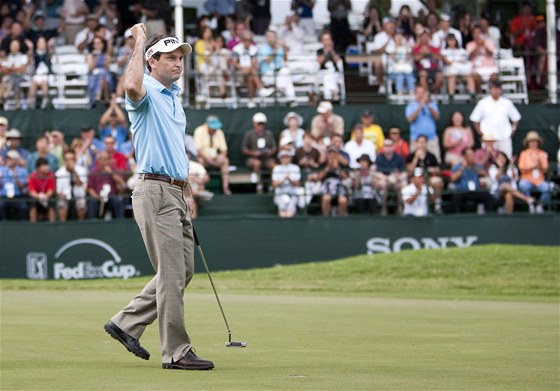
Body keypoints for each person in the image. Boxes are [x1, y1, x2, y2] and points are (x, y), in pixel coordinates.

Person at [103, 25, 215, 371]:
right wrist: (138, 43)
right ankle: (176, 351)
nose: (178, 63)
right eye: (170, 58)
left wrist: (185, 186)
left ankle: (126, 322)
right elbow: (132, 85)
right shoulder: (147, 88)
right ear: (153, 61)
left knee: (183, 270)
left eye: (180, 57)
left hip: (174, 189)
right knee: (170, 273)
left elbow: (172, 148)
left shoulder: (173, 97)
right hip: (154, 189)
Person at [469, 81, 521, 158]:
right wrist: (481, 133)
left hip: (504, 137)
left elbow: (516, 118)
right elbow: (475, 119)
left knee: (506, 158)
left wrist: (512, 130)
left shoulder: (507, 102)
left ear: (501, 90)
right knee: (487, 160)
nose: (496, 91)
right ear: (490, 90)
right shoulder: (483, 103)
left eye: (498, 89)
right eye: (493, 89)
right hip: (488, 139)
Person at [231, 30, 274, 108]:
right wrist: (243, 68)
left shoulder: (254, 49)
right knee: (253, 72)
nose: (248, 42)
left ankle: (250, 101)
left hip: (251, 71)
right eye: (246, 40)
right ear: (242, 40)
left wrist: (249, 69)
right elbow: (234, 63)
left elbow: (254, 62)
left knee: (251, 77)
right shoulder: (236, 49)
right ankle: (260, 89)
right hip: (239, 72)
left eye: (250, 40)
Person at [193, 115, 232, 195]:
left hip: (215, 158)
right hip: (204, 158)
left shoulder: (219, 132)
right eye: (212, 127)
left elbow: (224, 150)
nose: (214, 129)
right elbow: (198, 150)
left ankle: (225, 188)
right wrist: (208, 160)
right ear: (207, 125)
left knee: (225, 161)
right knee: (199, 162)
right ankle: (201, 188)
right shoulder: (199, 131)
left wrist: (221, 157)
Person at [405, 135, 444, 214]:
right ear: (416, 143)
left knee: (438, 182)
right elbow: (409, 171)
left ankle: (437, 206)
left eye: (424, 142)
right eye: (420, 142)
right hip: (414, 180)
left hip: (428, 178)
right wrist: (416, 157)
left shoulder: (431, 156)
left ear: (427, 143)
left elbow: (438, 170)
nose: (422, 144)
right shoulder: (411, 156)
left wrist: (431, 169)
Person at [450, 148, 494, 214]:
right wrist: (463, 167)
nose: (472, 157)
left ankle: (490, 217)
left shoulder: (476, 166)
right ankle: (457, 219)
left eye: (473, 155)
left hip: (475, 191)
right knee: (456, 198)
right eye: (470, 155)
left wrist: (474, 167)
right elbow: (453, 178)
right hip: (462, 191)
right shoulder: (457, 166)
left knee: (488, 196)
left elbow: (485, 174)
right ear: (465, 156)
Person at [257, 29, 297, 104]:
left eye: (273, 37)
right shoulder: (263, 48)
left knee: (286, 72)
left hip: (279, 73)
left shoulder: (279, 47)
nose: (271, 39)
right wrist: (276, 49)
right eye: (269, 37)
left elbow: (285, 60)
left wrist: (284, 50)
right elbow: (268, 60)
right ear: (266, 38)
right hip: (267, 74)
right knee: (286, 76)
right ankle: (290, 98)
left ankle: (284, 93)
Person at [517, 131, 552, 214]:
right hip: (527, 179)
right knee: (522, 185)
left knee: (549, 188)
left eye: (535, 141)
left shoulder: (543, 154)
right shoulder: (524, 154)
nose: (533, 143)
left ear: (538, 143)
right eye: (531, 141)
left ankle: (540, 205)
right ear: (528, 143)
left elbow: (546, 169)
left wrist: (540, 166)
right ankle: (530, 203)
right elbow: (521, 168)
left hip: (539, 180)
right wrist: (531, 167)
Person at [241, 112, 277, 193]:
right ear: (254, 124)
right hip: (253, 158)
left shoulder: (269, 134)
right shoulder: (249, 134)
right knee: (257, 163)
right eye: (259, 124)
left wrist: (269, 152)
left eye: (262, 124)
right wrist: (254, 153)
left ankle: (272, 185)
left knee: (273, 164)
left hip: (266, 158)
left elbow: (274, 148)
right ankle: (259, 184)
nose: (261, 126)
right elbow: (244, 149)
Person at [405, 86, 441, 163]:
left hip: (431, 140)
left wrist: (428, 105)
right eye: (419, 93)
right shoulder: (411, 106)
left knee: (435, 162)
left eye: (423, 93)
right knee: (415, 161)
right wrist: (420, 106)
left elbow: (437, 117)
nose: (421, 95)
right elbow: (410, 119)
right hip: (416, 140)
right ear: (415, 94)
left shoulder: (432, 105)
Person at [86, 150, 125, 219]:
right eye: (102, 159)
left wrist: (111, 173)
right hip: (98, 197)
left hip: (112, 196)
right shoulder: (93, 172)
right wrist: (96, 196)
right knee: (92, 202)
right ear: (98, 161)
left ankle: (120, 225)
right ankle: (92, 225)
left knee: (118, 202)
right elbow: (89, 188)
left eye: (106, 159)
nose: (104, 162)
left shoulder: (113, 169)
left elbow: (121, 182)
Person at [374, 138, 408, 215]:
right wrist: (387, 178)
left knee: (403, 184)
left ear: (393, 146)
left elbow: (404, 173)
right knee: (383, 183)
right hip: (384, 181)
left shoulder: (399, 158)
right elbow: (375, 172)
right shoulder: (379, 158)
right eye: (386, 145)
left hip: (396, 181)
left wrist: (397, 177)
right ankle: (383, 208)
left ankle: (401, 208)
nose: (388, 147)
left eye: (389, 145)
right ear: (383, 147)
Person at [55, 149, 88, 221]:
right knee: (61, 204)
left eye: (71, 159)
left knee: (81, 204)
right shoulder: (59, 173)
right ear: (64, 161)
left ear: (75, 160)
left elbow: (81, 185)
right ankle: (62, 228)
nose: (69, 162)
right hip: (64, 197)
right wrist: (62, 195)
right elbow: (58, 191)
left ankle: (81, 226)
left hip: (79, 195)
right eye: (67, 159)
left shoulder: (82, 170)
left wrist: (73, 171)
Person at [367, 16, 396, 94]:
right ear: (384, 26)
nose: (391, 26)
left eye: (392, 24)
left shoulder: (398, 35)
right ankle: (382, 84)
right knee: (377, 63)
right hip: (384, 60)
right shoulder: (379, 36)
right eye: (389, 24)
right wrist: (389, 40)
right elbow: (377, 51)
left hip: (397, 60)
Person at [466, 25, 498, 94]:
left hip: (490, 68)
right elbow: (469, 56)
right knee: (475, 77)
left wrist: (484, 45)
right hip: (477, 69)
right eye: (475, 33)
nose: (477, 35)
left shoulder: (489, 42)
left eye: (479, 33)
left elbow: (491, 53)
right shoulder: (470, 44)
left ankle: (493, 95)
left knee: (494, 77)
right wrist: (478, 46)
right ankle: (479, 94)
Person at [318, 145, 349, 217]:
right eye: (330, 153)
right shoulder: (323, 164)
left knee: (343, 200)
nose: (332, 155)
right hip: (327, 186)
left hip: (339, 186)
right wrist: (328, 168)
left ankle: (342, 220)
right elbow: (319, 177)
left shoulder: (341, 164)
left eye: (334, 153)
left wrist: (337, 168)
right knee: (326, 198)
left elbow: (346, 178)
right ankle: (326, 220)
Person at [272, 150, 302, 218]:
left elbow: (298, 183)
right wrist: (283, 180)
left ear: (290, 158)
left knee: (290, 212)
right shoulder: (276, 168)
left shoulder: (295, 168)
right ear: (280, 159)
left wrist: (289, 179)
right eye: (283, 157)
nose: (285, 159)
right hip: (280, 194)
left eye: (287, 157)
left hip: (293, 194)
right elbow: (274, 184)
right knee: (282, 211)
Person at [385, 28, 415, 97]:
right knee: (400, 76)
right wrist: (397, 46)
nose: (399, 37)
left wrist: (406, 46)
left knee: (409, 76)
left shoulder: (406, 47)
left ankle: (411, 92)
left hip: (405, 70)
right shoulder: (390, 47)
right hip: (393, 71)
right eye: (397, 36)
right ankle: (399, 92)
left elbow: (408, 57)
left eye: (400, 36)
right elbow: (393, 58)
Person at [412, 28, 444, 93]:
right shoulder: (416, 49)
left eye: (426, 36)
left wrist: (429, 53)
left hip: (434, 69)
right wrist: (423, 54)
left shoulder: (434, 48)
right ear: (420, 38)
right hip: (421, 69)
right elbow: (415, 58)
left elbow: (439, 57)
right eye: (423, 36)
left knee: (440, 76)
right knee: (423, 75)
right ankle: (426, 93)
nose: (425, 38)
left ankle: (435, 91)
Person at [0, 150, 28, 220]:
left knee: (23, 208)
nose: (8, 160)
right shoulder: (1, 170)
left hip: (18, 197)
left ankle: (22, 228)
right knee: (1, 206)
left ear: (16, 160)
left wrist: (16, 178)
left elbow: (22, 187)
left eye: (10, 159)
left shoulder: (22, 171)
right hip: (4, 197)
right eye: (7, 158)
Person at [86, 35, 112, 108]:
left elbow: (107, 68)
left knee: (103, 73)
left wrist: (104, 58)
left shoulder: (106, 55)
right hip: (93, 76)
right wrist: (96, 57)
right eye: (95, 43)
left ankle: (99, 94)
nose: (97, 45)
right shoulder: (90, 55)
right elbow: (90, 68)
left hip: (105, 76)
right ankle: (104, 97)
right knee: (102, 74)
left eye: (99, 43)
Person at [27, 157, 56, 222]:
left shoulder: (51, 175)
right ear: (38, 168)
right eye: (44, 166)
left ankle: (52, 226)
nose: (47, 167)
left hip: (47, 197)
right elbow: (32, 191)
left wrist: (45, 197)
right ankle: (33, 226)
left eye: (47, 165)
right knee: (32, 202)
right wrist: (39, 197)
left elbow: (51, 190)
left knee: (52, 202)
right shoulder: (32, 176)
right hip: (37, 197)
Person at [316, 31, 342, 101]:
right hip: (323, 73)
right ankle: (334, 93)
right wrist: (325, 53)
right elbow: (318, 62)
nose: (327, 42)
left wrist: (332, 51)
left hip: (335, 73)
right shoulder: (319, 51)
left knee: (329, 76)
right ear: (322, 41)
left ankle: (328, 97)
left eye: (328, 39)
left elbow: (338, 62)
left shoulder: (336, 50)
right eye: (325, 40)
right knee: (327, 76)